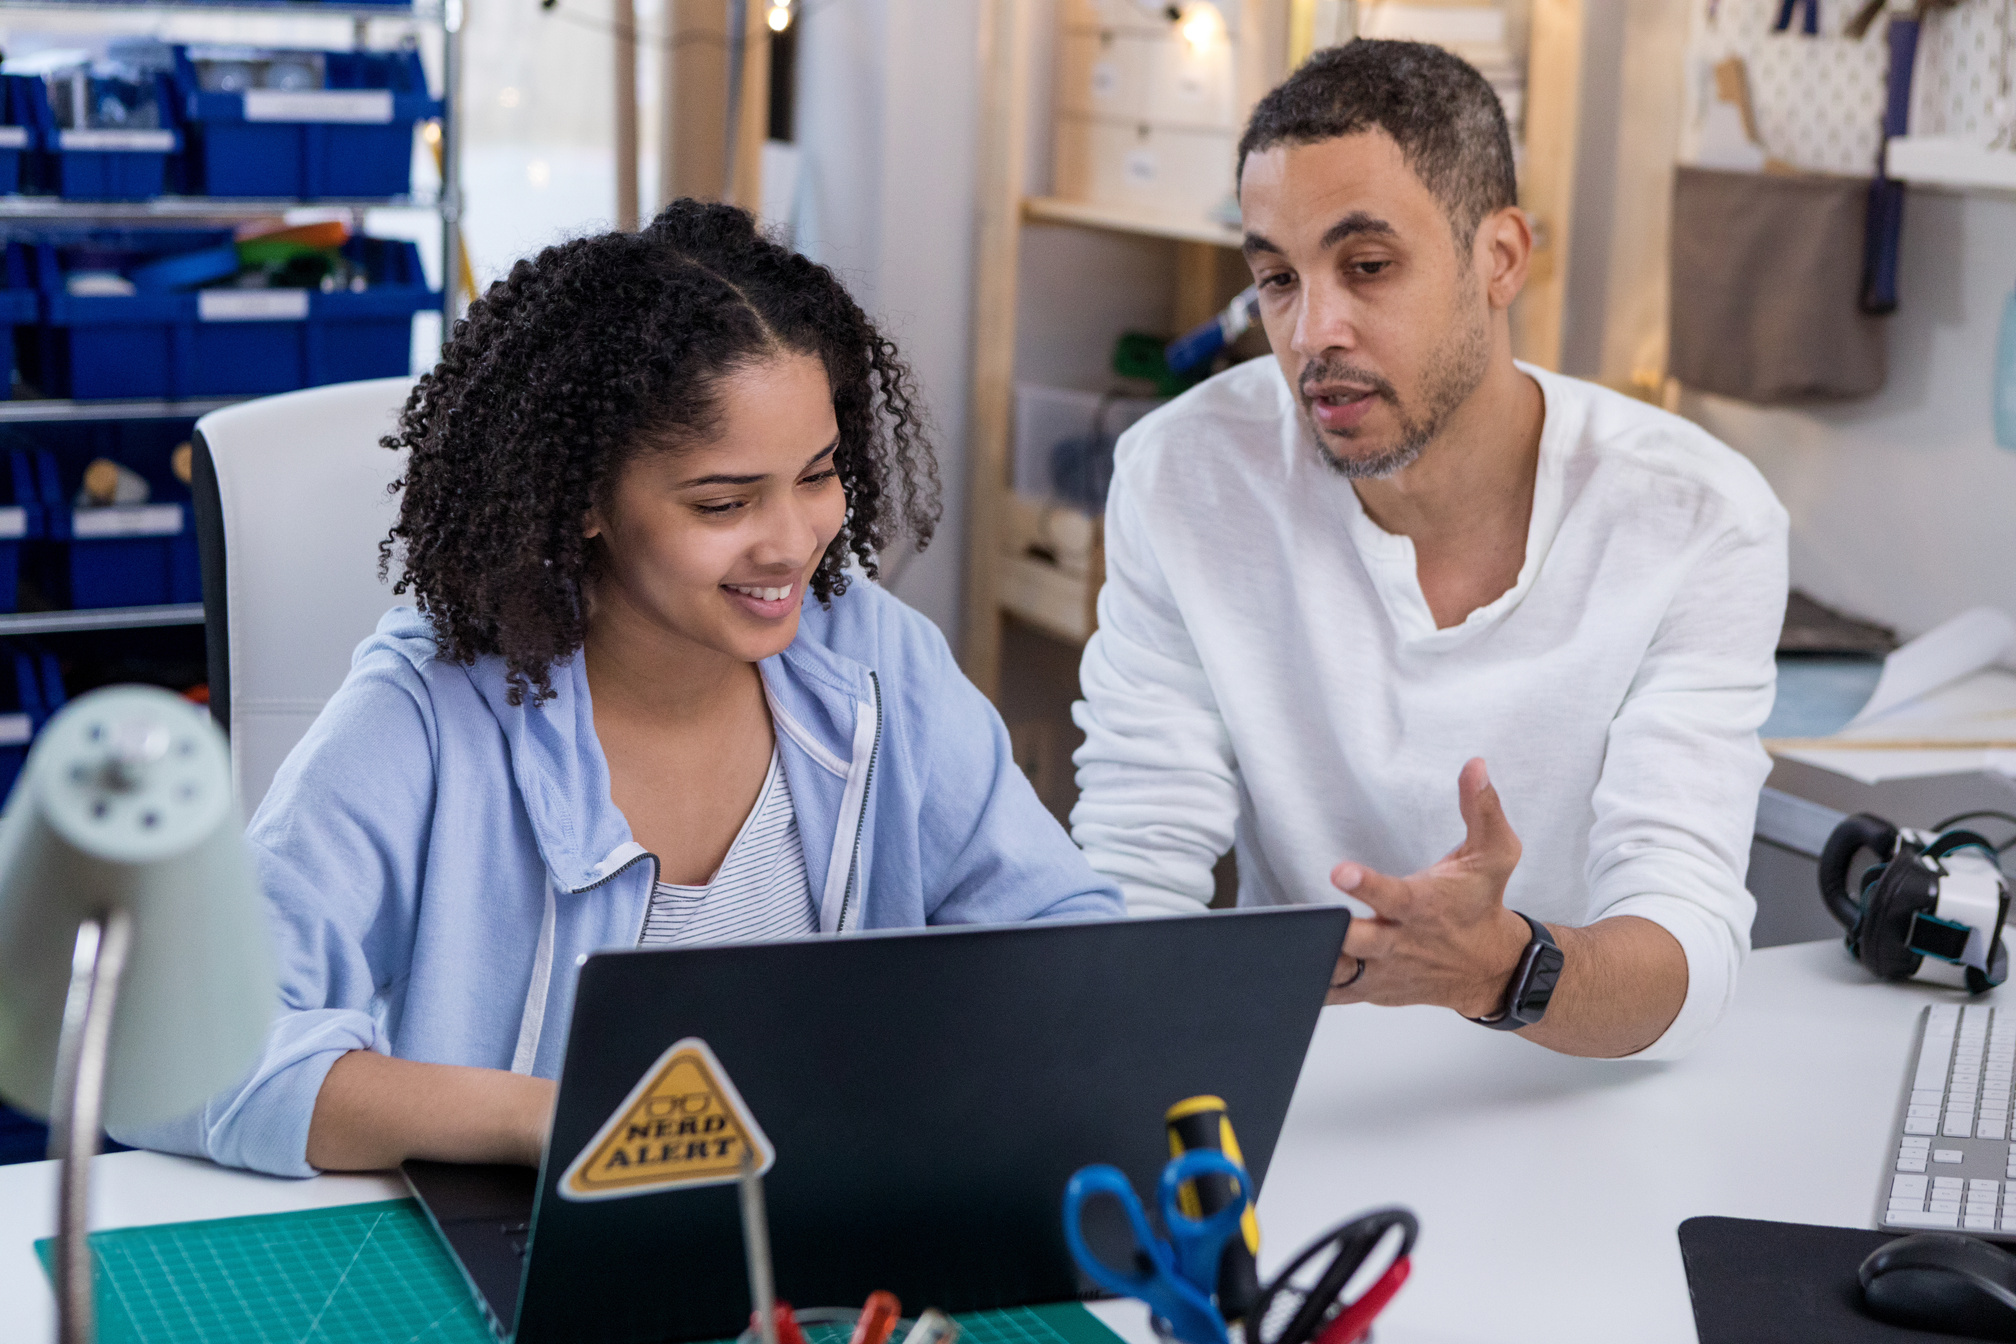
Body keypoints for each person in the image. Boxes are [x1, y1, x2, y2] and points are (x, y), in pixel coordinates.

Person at [119, 201, 1121, 1178]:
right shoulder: (432, 709)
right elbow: (164, 1058)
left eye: (818, 475)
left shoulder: (875, 659)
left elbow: (1073, 950)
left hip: (821, 1241)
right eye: (724, 502)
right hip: (533, 1252)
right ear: (586, 499)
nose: (793, 543)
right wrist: (561, 1121)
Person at [1071, 40, 1788, 1061]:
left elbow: (1689, 939)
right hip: (1301, 1074)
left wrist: (1500, 967)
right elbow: (1137, 863)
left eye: (1367, 267)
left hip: (1574, 1075)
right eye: (1277, 277)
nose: (1313, 331)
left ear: (1499, 259)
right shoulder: (1182, 477)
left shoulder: (1697, 519)